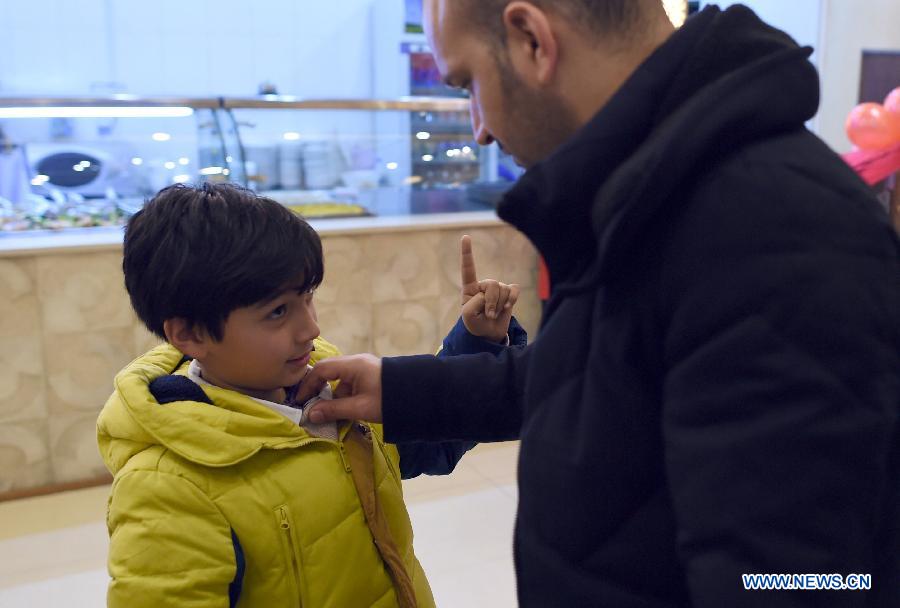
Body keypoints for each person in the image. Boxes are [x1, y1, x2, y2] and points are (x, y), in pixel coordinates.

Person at [297, 1, 900, 606]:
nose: (477, 126)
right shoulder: (654, 190)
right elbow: (609, 376)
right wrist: (408, 391)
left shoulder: (772, 232)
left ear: (532, 39)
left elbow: (793, 579)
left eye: (468, 84)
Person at [97, 182, 526, 608]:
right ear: (189, 333)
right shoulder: (166, 490)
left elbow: (425, 447)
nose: (311, 329)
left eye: (307, 298)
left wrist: (478, 342)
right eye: (278, 312)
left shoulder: (326, 388)